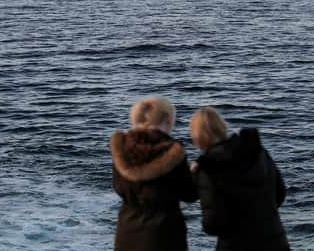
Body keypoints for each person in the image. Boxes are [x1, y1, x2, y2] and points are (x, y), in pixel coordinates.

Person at [189, 106, 289, 251]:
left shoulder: (208, 167)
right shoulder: (257, 151)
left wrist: (194, 177)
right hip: (275, 241)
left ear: (198, 136)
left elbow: (213, 224)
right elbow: (279, 195)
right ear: (222, 126)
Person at [110, 96, 197, 251]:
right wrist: (194, 174)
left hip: (128, 230)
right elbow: (189, 195)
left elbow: (119, 188)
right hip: (165, 232)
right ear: (167, 119)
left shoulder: (121, 149)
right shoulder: (173, 151)